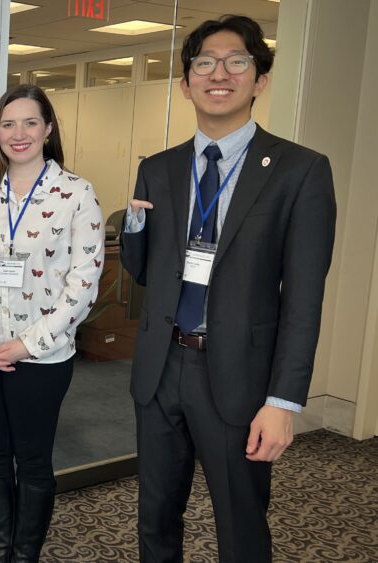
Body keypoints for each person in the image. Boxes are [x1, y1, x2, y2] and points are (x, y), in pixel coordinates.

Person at [120, 15, 337, 562]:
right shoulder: (159, 168)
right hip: (160, 371)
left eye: (236, 61)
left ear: (259, 79)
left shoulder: (299, 171)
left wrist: (283, 401)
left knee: (240, 527)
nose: (220, 73)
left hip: (239, 377)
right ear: (186, 82)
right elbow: (146, 274)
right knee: (155, 518)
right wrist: (135, 229)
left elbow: (304, 300)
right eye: (204, 63)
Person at [0, 84, 104, 563]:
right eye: (8, 123)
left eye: (30, 122)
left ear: (48, 128)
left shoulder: (75, 194)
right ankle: (2, 553)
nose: (19, 133)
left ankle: (24, 556)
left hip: (42, 357)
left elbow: (85, 281)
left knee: (32, 460)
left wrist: (27, 345)